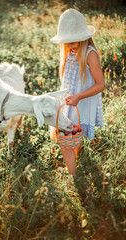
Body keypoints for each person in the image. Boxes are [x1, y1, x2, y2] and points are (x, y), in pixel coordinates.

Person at [50, 9, 105, 178]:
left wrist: (78, 97)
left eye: (74, 41)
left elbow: (101, 84)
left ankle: (72, 176)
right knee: (70, 138)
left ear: (83, 37)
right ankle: (73, 164)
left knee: (67, 140)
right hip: (69, 103)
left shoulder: (90, 55)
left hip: (81, 103)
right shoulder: (69, 53)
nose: (71, 45)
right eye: (67, 42)